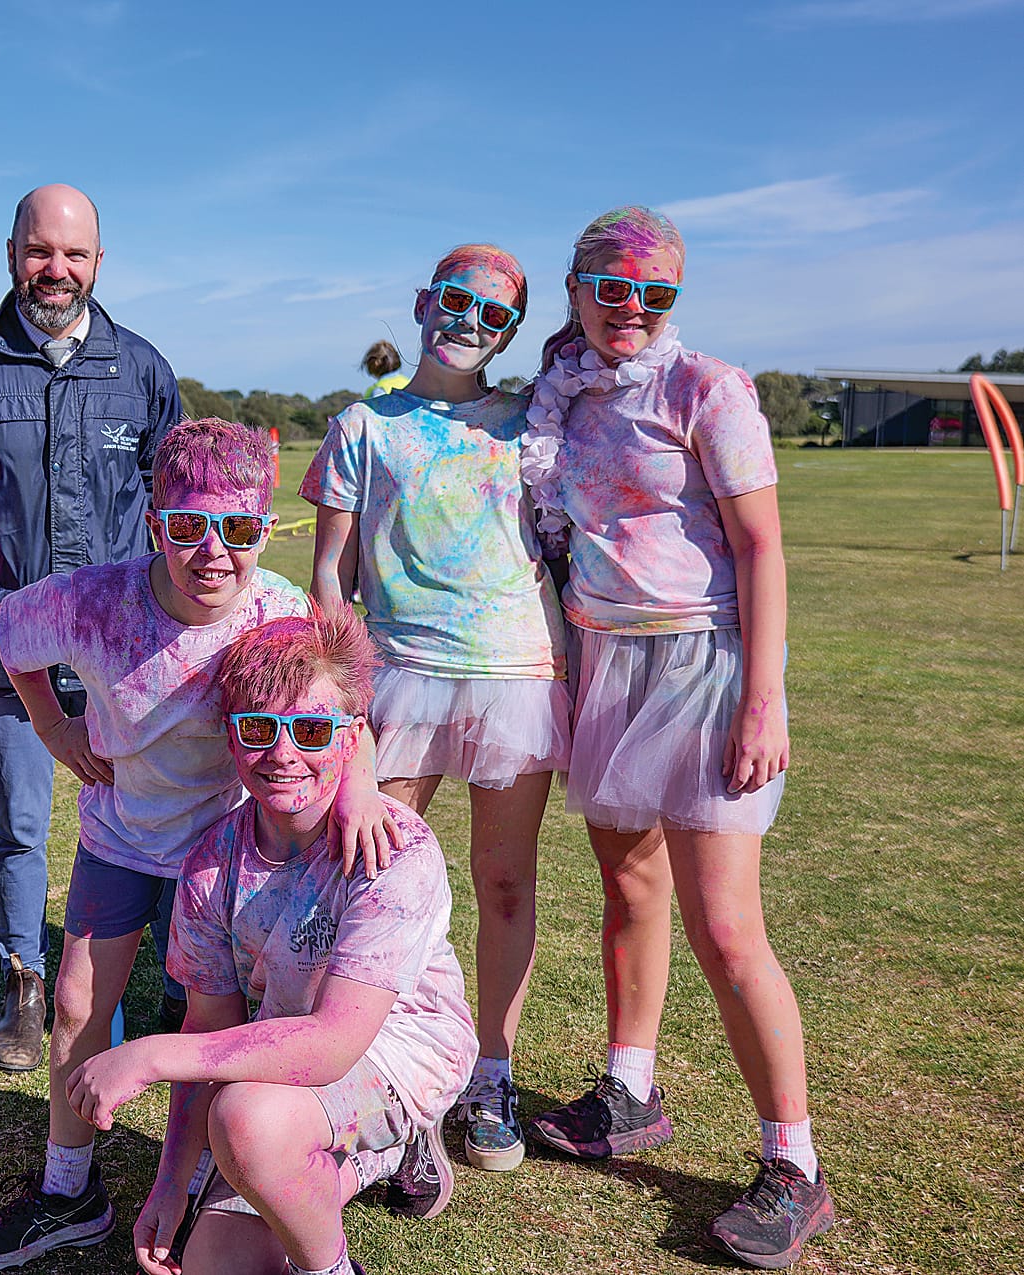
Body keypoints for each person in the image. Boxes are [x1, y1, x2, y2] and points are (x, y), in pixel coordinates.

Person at [0, 418, 395, 1269]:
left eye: (236, 529)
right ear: (154, 522)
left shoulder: (280, 610)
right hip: (123, 836)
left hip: (237, 848)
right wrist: (53, 723)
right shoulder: (91, 599)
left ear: (266, 530)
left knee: (231, 1021)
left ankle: (219, 1179)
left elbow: (341, 708)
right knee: (79, 1003)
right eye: (186, 526)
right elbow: (9, 634)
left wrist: (364, 784)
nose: (211, 552)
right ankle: (66, 1187)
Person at [519, 206, 834, 1268]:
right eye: (612, 289)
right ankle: (628, 1093)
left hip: (703, 665)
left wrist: (762, 697)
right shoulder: (554, 397)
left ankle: (792, 1162)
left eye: (655, 294)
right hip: (605, 663)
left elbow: (760, 548)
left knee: (725, 926)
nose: (632, 311)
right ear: (575, 288)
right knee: (627, 893)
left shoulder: (707, 387)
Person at [66, 607, 476, 1275]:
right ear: (230, 738)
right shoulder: (210, 861)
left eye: (311, 730)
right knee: (213, 1263)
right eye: (257, 729)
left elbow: (334, 1040)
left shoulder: (393, 851)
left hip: (395, 1048)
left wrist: (148, 1055)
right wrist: (173, 1182)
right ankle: (369, 1158)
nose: (282, 754)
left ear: (350, 737)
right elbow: (211, 1024)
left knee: (248, 1121)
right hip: (279, 1058)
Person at [0, 184, 184, 1071]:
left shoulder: (142, 371)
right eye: (39, 250)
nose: (56, 269)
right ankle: (23, 978)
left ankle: (164, 984)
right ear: (10, 251)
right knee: (20, 824)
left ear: (99, 261)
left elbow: (168, 496)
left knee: (151, 813)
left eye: (74, 254)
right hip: (2, 647)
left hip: (124, 651)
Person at [303, 245, 568, 1173]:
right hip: (401, 675)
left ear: (511, 332)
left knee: (503, 884)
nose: (469, 322)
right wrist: (338, 691)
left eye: (494, 315)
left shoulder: (532, 417)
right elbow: (329, 570)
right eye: (454, 301)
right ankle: (377, 1065)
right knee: (374, 883)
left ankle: (490, 1071)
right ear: (422, 303)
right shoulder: (362, 425)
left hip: (512, 676)